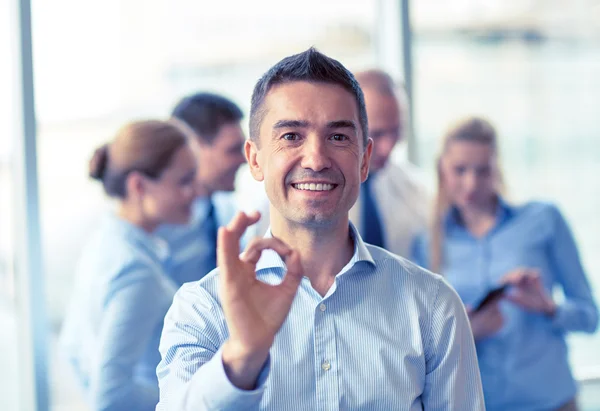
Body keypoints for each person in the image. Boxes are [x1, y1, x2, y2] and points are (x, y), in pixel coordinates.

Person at [156, 48, 484, 410]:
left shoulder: (433, 306)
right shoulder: (201, 309)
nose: (315, 159)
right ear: (254, 159)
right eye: (291, 136)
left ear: (364, 160)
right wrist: (242, 357)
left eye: (338, 137)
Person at [411, 117, 598, 411]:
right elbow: (419, 347)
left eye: (483, 170)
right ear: (442, 170)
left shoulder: (544, 220)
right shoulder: (425, 245)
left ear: (497, 169)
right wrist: (467, 331)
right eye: (460, 170)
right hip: (479, 403)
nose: (471, 183)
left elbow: (589, 317)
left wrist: (549, 307)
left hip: (551, 401)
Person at [59, 120, 197, 411]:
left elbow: (73, 347)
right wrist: (189, 396)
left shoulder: (104, 242)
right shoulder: (137, 271)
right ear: (138, 186)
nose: (195, 192)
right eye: (184, 181)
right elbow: (110, 397)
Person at [237, 69, 429, 258]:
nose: (388, 148)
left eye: (395, 132)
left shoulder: (416, 192)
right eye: (377, 133)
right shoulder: (279, 199)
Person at [157, 93, 247, 285]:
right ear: (193, 146)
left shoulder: (227, 211)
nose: (244, 160)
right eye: (233, 150)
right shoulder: (160, 225)